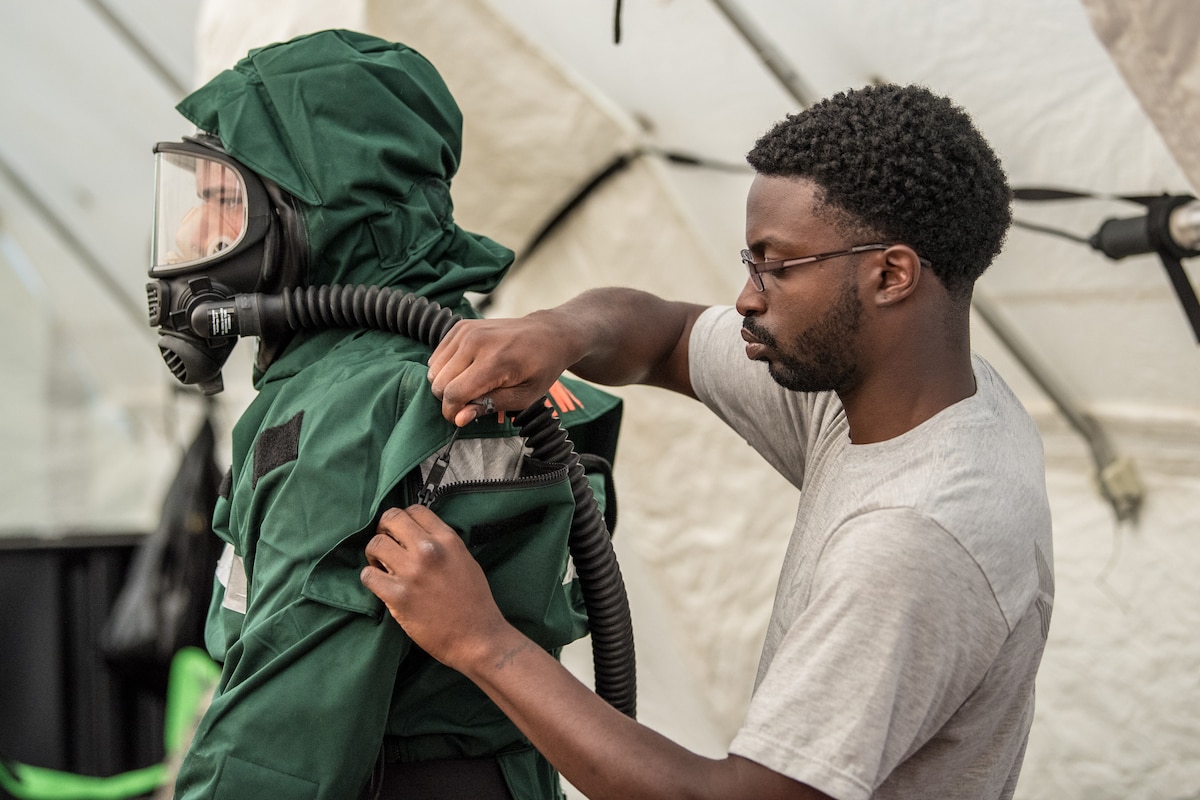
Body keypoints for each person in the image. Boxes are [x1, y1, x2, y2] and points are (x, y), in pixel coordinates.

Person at [360, 83, 1055, 800]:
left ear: (891, 274)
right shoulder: (919, 389)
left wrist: (481, 641)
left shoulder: (915, 541)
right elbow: (669, 334)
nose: (749, 297)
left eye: (776, 265)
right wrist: (557, 332)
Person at [151, 30, 623, 800]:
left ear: (317, 208)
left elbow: (284, 739)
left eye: (217, 201)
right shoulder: (464, 364)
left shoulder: (359, 407)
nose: (187, 239)